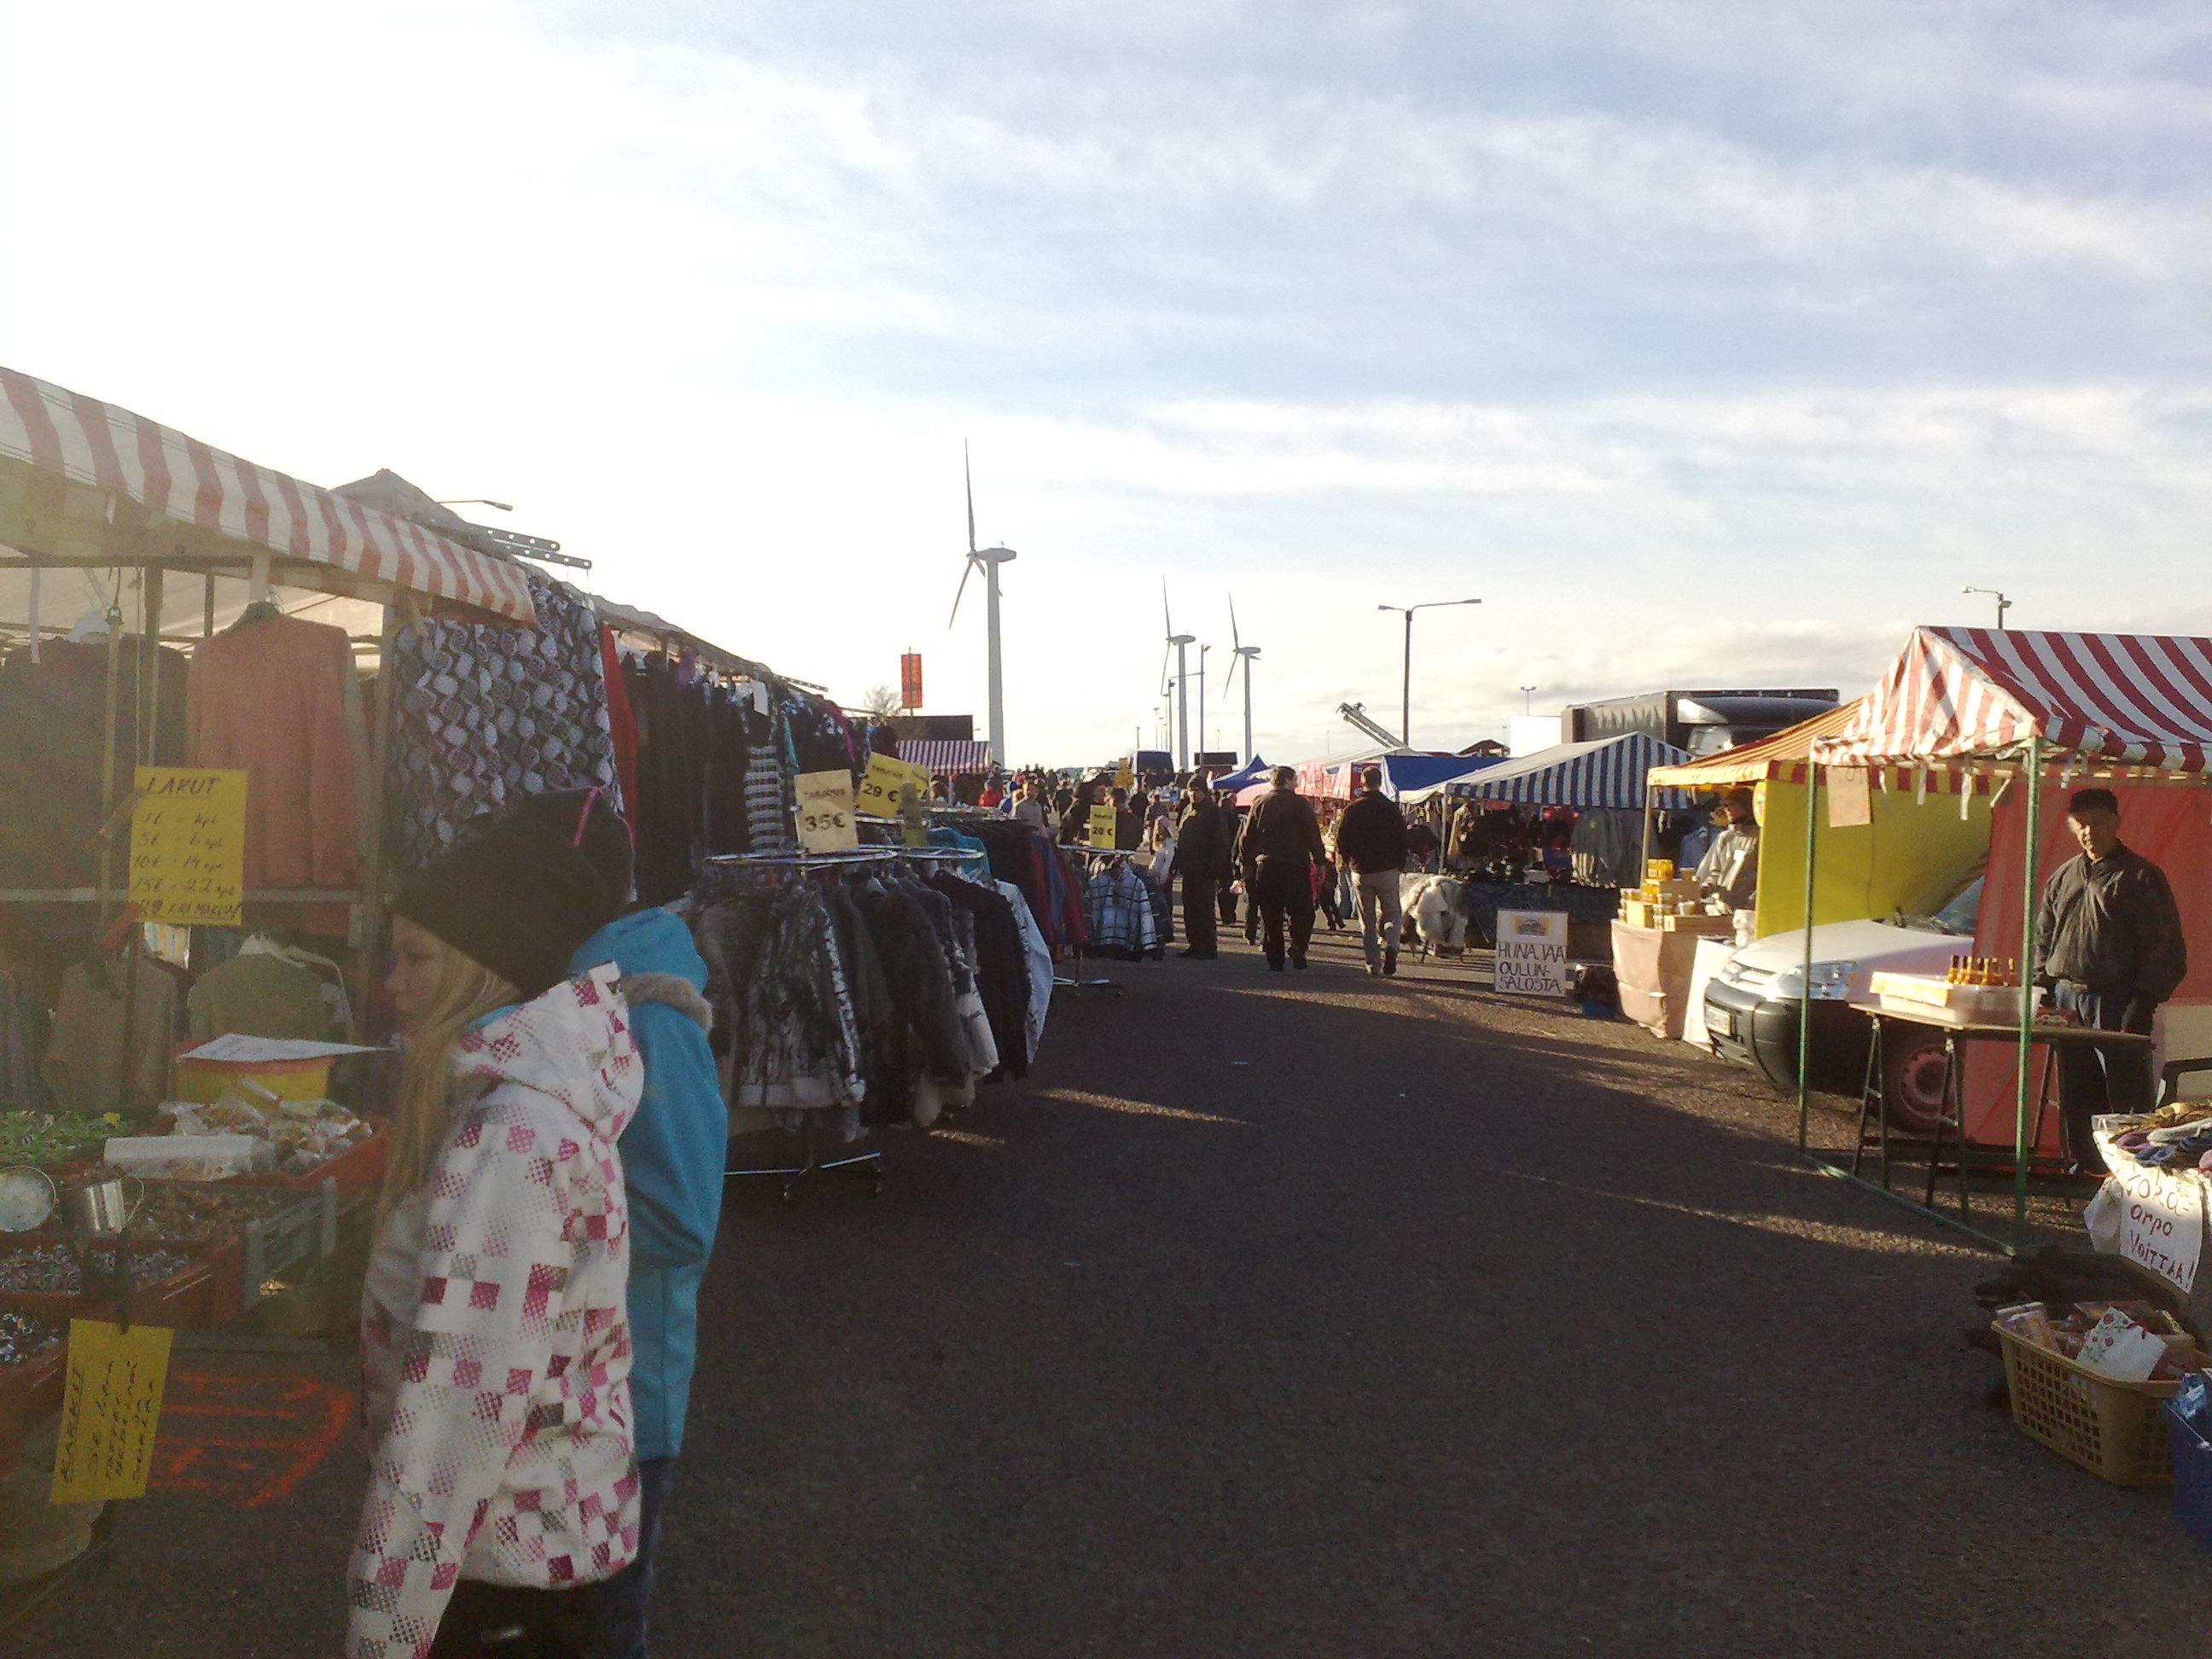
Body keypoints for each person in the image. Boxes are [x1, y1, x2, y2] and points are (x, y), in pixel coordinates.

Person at [349, 806, 643, 1658]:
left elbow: (459, 1414)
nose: (392, 983)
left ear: (485, 967)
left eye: (417, 958)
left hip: (506, 1566)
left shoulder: (510, 1139)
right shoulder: (525, 1109)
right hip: (536, 1538)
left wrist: (385, 1631)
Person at [498, 791, 722, 1659]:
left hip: (621, 1394)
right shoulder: (552, 990)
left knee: (598, 1622)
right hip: (544, 1377)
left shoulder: (648, 1017)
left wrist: (517, 1208)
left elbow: (679, 1220)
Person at [2034, 788, 2188, 1172]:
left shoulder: (2141, 877)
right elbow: (2043, 936)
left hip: (2118, 1000)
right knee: (2077, 1090)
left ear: (2116, 823)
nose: (2090, 832)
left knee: (2125, 1094)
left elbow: (2165, 945)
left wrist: (2144, 1000)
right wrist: (2042, 986)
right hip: (2068, 999)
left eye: (2098, 823)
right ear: (2072, 827)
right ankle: (2087, 1167)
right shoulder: (2063, 876)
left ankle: (2130, 1173)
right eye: (2082, 824)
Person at [1241, 765, 1327, 970]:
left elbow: (1247, 837)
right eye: (1295, 779)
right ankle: (1298, 945)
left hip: (1268, 865)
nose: (1297, 782)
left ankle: (1275, 958)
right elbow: (1312, 835)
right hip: (1296, 865)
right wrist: (1320, 861)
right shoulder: (1301, 804)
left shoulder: (1261, 803)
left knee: (1271, 914)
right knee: (1303, 911)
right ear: (1288, 780)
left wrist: (1246, 863)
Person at [1335, 766, 1409, 976]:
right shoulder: (1391, 809)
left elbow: (1341, 839)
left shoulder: (1352, 809)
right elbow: (1402, 838)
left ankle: (1373, 963)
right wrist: (1400, 864)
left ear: (1362, 782)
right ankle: (1392, 945)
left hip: (1362, 870)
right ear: (1380, 782)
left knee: (1367, 920)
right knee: (1392, 912)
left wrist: (1348, 860)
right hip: (1388, 868)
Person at [1172, 786, 1233, 958]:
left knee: (1204, 909)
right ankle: (1194, 944)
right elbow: (1182, 838)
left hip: (1206, 869)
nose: (1193, 793)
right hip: (1189, 867)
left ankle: (1208, 947)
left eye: (1196, 790)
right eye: (1190, 790)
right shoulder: (1187, 810)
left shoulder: (1214, 813)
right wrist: (1177, 862)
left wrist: (1215, 867)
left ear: (1204, 792)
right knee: (1190, 908)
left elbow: (1221, 841)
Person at [1695, 788, 1760, 911]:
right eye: (1725, 805)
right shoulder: (1724, 838)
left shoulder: (1759, 838)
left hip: (1747, 912)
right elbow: (1715, 873)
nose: (1727, 809)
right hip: (1722, 909)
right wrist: (1706, 888)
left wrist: (1751, 903)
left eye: (1732, 805)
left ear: (1747, 807)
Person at [1010, 774, 1060, 838]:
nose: (1029, 792)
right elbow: (1015, 825)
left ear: (1036, 791)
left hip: (1037, 837)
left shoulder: (1038, 806)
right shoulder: (1019, 806)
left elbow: (1040, 824)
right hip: (1025, 837)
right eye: (1027, 790)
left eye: (1031, 790)